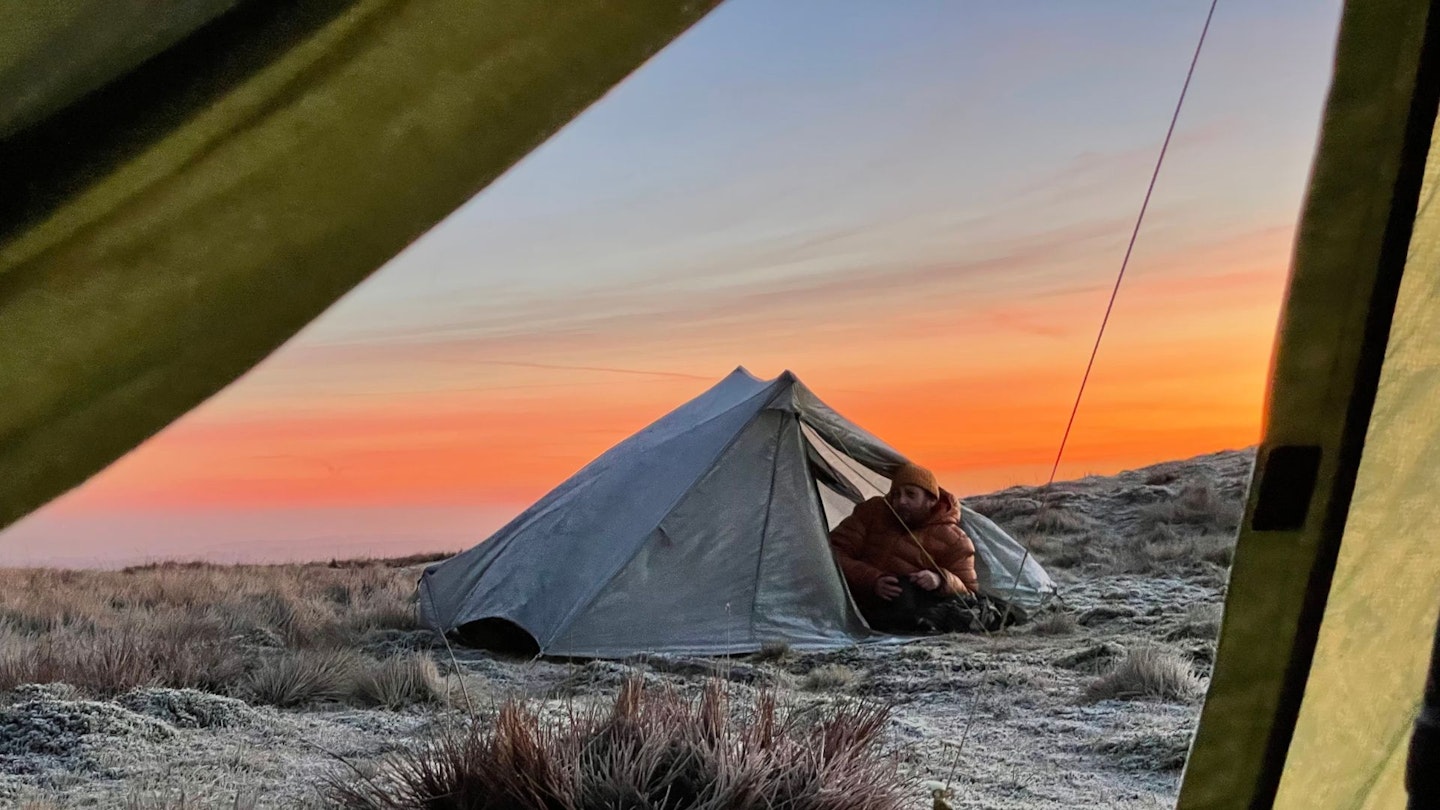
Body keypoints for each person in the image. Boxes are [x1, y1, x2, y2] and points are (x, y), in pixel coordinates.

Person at [829, 462, 997, 634]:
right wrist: (872, 579)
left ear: (931, 499)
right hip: (845, 604)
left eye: (910, 495)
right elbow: (831, 552)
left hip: (901, 615)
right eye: (896, 494)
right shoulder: (873, 512)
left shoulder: (955, 540)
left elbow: (969, 593)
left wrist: (940, 579)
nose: (901, 501)